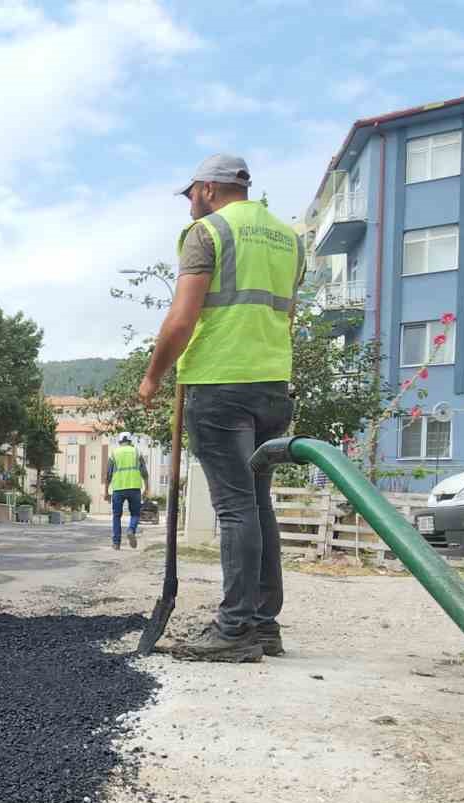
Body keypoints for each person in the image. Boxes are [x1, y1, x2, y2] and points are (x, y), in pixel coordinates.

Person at [139, 153, 304, 663]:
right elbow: (287, 312)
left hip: (220, 383)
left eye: (190, 192)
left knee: (235, 508)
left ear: (209, 189)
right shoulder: (290, 239)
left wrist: (153, 376)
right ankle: (262, 624)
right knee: (258, 506)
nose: (188, 201)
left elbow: (183, 316)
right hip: (273, 385)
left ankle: (233, 632)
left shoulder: (207, 233)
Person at [104, 432, 149, 550]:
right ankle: (131, 530)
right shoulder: (136, 452)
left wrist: (106, 492)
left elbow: (108, 474)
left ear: (119, 441)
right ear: (130, 441)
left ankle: (116, 543)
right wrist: (147, 488)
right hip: (134, 487)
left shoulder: (114, 453)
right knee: (135, 513)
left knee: (116, 516)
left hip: (118, 488)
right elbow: (144, 472)